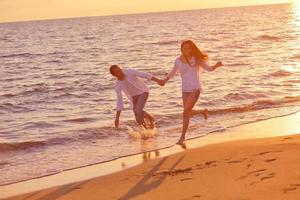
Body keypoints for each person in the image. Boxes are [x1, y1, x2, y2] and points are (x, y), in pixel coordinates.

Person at [162, 40, 223, 145]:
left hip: (195, 89)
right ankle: (202, 112)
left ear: (192, 49)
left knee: (185, 112)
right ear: (181, 48)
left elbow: (208, 69)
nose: (186, 50)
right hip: (184, 90)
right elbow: (173, 72)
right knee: (187, 112)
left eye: (189, 48)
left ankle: (182, 137)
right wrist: (164, 80)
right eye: (184, 48)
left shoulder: (196, 59)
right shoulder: (178, 60)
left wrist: (216, 66)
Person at [110, 65, 164, 129]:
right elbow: (119, 100)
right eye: (117, 72)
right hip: (133, 98)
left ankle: (150, 119)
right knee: (138, 119)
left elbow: (144, 75)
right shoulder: (118, 84)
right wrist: (117, 118)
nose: (120, 72)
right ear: (114, 75)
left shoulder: (130, 72)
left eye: (120, 70)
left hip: (143, 92)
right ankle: (147, 131)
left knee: (138, 111)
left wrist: (158, 81)